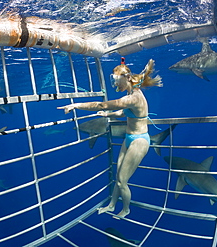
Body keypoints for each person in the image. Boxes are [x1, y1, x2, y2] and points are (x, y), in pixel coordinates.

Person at [58, 57, 162, 219]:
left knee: (122, 180)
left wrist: (76, 105)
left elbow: (101, 105)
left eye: (116, 80)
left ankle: (126, 209)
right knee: (118, 175)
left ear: (127, 78)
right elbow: (123, 112)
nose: (115, 84)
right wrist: (109, 115)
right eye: (113, 80)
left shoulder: (133, 97)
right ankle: (112, 205)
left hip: (140, 141)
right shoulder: (131, 92)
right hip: (129, 137)